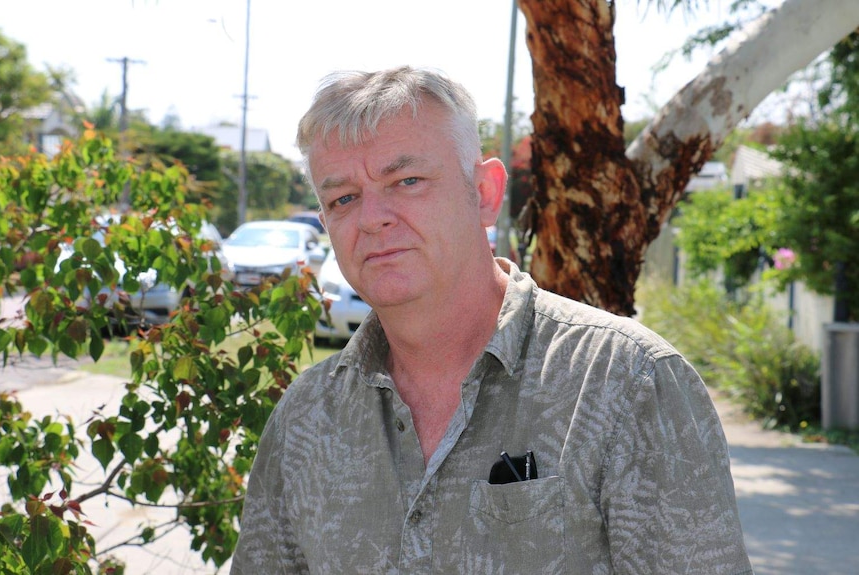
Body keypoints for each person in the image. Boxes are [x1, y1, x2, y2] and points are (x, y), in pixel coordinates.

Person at [230, 66, 753, 574]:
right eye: (342, 198)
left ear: (484, 194)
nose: (372, 218)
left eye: (407, 180)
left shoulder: (625, 383)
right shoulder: (306, 420)